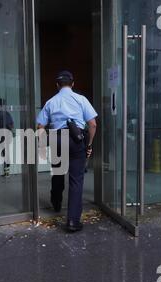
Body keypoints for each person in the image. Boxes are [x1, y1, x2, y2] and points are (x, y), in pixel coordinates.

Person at [37, 71, 98, 233]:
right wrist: (89, 144)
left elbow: (40, 126)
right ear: (73, 84)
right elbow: (92, 125)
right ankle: (72, 221)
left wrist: (43, 146)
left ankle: (56, 203)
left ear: (57, 85)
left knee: (58, 172)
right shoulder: (81, 99)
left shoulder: (51, 102)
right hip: (76, 139)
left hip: (58, 139)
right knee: (76, 180)